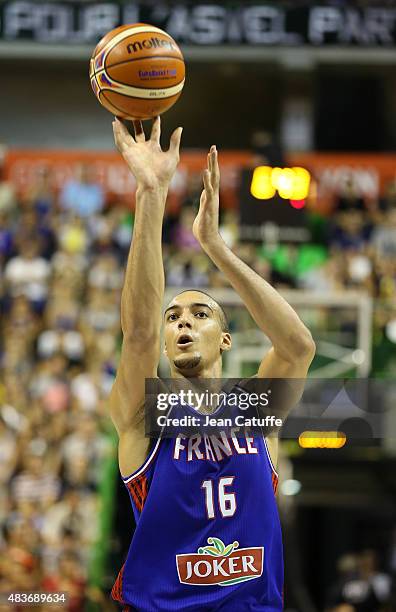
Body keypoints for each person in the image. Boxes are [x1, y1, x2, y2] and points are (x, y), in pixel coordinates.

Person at [109, 117, 315, 611]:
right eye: (173, 317)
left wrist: (217, 247)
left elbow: (296, 347)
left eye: (199, 314)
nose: (182, 322)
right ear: (165, 343)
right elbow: (136, 330)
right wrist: (152, 193)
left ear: (224, 339)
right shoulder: (145, 416)